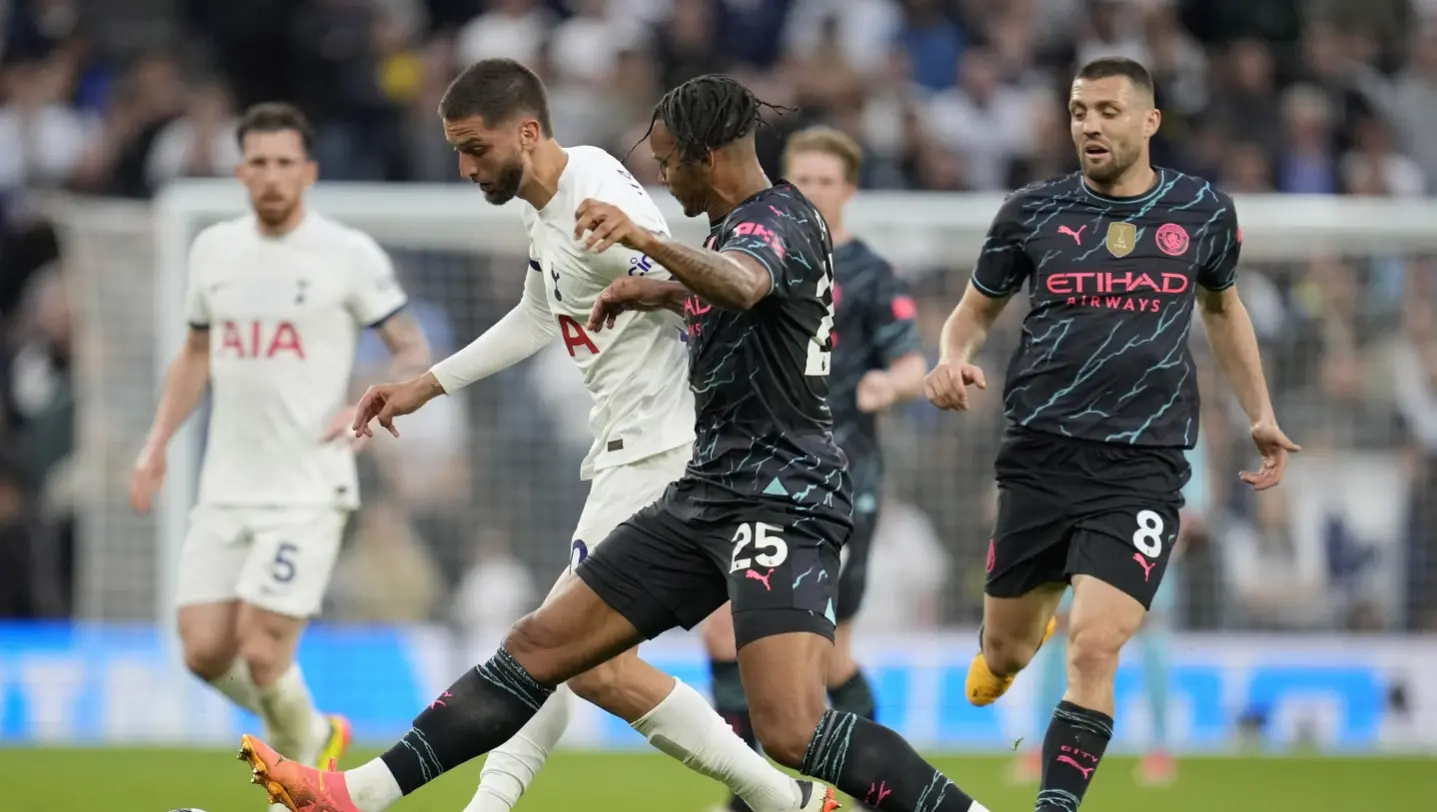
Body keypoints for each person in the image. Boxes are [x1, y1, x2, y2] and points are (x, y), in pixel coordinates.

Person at [239, 73, 992, 812]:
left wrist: (646, 250)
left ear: (705, 155)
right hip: (708, 491)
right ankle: (355, 794)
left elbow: (743, 284)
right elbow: (718, 296)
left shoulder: (775, 221)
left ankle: (816, 802)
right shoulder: (732, 226)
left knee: (793, 730)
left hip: (779, 495)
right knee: (541, 647)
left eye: (667, 165)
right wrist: (657, 287)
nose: (662, 184)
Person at [330, 57, 837, 812]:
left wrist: (658, 273)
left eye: (475, 148)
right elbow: (539, 315)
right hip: (626, 446)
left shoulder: (596, 200)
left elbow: (701, 296)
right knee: (578, 661)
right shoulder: (562, 194)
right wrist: (425, 386)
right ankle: (785, 801)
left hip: (662, 447)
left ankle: (411, 798)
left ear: (526, 133)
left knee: (554, 647)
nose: (466, 168)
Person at [923, 56, 1299, 811]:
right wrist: (948, 359)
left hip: (1143, 465)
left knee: (1094, 644)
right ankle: (1001, 659)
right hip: (1039, 453)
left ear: (1148, 121)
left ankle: (1053, 804)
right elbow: (972, 311)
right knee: (1009, 649)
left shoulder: (1200, 211)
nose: (1088, 126)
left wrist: (1258, 411)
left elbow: (1223, 310)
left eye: (1106, 111)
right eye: (1077, 112)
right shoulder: (1031, 212)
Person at [131, 102, 431, 779]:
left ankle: (306, 773)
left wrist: (368, 395)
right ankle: (312, 731)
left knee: (265, 653)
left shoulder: (347, 255)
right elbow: (195, 355)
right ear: (240, 171)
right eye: (259, 163)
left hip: (308, 485)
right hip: (225, 486)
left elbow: (410, 348)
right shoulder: (213, 249)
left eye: (284, 163)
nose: (271, 176)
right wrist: (156, 444)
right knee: (204, 653)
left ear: (309, 172)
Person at [698, 126, 927, 812]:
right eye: (804, 180)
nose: (816, 192)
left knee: (826, 657)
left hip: (839, 479)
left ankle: (873, 792)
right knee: (720, 629)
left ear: (849, 189)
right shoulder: (757, 259)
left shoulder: (868, 273)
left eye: (828, 180)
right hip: (754, 472)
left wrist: (892, 387)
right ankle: (757, 793)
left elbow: (912, 359)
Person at [1015, 441, 1210, 788]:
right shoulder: (1091, 408)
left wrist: (1183, 521)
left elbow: (1194, 490)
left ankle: (1160, 749)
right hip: (1085, 531)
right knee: (1061, 631)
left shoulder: (1173, 413)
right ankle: (1039, 744)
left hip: (1145, 534)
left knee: (1150, 633)